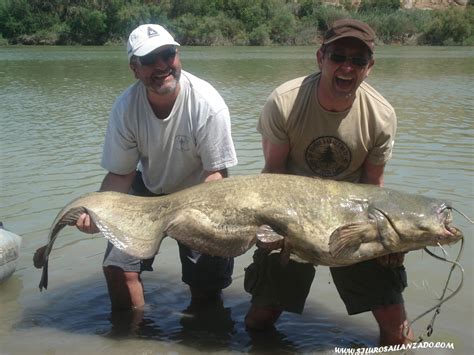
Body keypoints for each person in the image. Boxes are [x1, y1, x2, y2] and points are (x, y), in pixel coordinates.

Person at [244, 19, 413, 345]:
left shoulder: (381, 115)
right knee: (259, 320)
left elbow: (372, 187)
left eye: (358, 60)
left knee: (397, 331)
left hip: (352, 221)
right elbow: (272, 176)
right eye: (338, 57)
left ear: (370, 67)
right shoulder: (285, 102)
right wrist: (269, 229)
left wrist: (388, 242)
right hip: (290, 217)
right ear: (321, 57)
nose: (347, 67)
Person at [75, 23, 238, 310]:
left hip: (200, 194)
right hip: (147, 191)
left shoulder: (208, 103)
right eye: (150, 60)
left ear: (178, 55)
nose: (162, 65)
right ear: (135, 68)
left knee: (205, 290)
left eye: (168, 54)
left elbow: (217, 174)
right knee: (117, 270)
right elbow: (121, 174)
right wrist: (97, 212)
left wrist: (186, 212)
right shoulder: (125, 108)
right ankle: (134, 339)